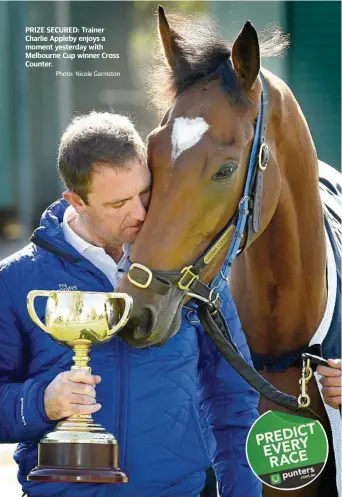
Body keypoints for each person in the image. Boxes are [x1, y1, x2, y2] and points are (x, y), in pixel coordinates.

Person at [0, 111, 261, 497]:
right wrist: (42, 402)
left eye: (144, 193)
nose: (139, 213)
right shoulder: (16, 281)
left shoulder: (192, 266)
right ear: (76, 200)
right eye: (119, 203)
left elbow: (234, 401)